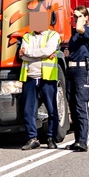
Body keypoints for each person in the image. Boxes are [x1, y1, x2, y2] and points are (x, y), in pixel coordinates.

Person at [19, 11, 61, 150]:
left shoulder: (53, 35)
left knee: (52, 109)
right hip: (30, 77)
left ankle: (51, 138)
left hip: (47, 77)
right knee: (28, 110)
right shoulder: (27, 36)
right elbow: (22, 56)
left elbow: (48, 50)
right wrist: (41, 54)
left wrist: (29, 53)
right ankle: (32, 138)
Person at [65, 5, 89, 152]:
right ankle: (77, 140)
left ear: (85, 18)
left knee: (81, 106)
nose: (75, 19)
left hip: (82, 70)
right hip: (71, 70)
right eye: (75, 17)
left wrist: (81, 18)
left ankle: (83, 141)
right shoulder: (74, 34)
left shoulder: (87, 31)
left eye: (78, 17)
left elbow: (79, 28)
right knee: (72, 105)